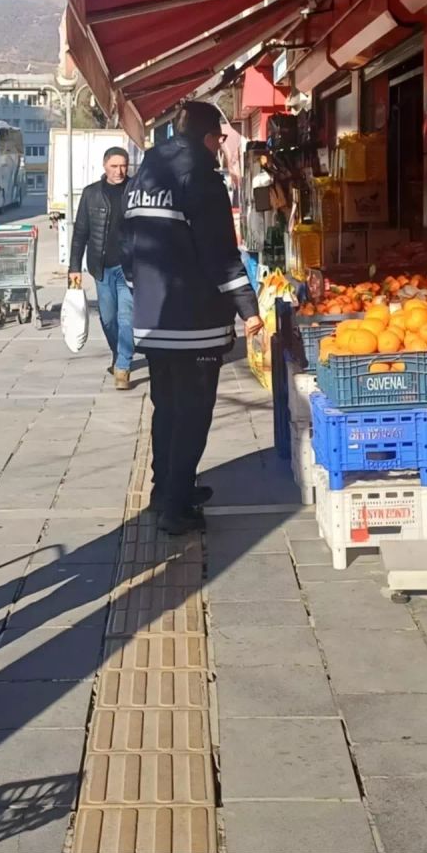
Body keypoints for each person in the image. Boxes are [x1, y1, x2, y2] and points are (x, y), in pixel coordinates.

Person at [122, 101, 263, 534]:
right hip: (194, 322)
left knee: (165, 409)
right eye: (220, 139)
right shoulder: (200, 176)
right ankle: (177, 507)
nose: (221, 147)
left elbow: (126, 247)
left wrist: (140, 290)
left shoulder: (146, 174)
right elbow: (219, 252)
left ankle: (164, 489)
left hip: (152, 317)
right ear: (206, 138)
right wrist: (249, 310)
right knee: (193, 413)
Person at [69, 147, 134, 389]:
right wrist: (74, 267)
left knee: (126, 317)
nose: (119, 171)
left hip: (129, 268)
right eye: (114, 166)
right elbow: (80, 233)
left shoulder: (136, 190)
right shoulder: (91, 194)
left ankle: (123, 367)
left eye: (123, 166)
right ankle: (119, 354)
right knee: (108, 319)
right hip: (101, 267)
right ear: (105, 166)